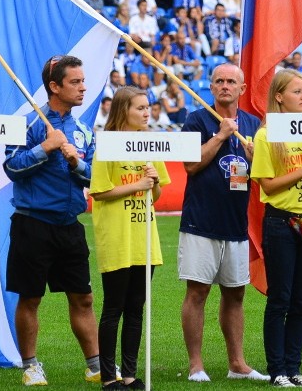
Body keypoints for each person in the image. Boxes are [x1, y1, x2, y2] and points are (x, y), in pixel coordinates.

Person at [3, 55, 101, 387]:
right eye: (75, 82)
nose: (83, 87)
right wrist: (46, 147)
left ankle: (95, 365)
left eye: (84, 81)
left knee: (83, 297)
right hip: (32, 224)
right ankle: (30, 366)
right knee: (30, 297)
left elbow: (95, 178)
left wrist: (76, 163)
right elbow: (11, 168)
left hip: (70, 226)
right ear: (54, 86)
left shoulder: (85, 131)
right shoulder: (28, 124)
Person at [177, 63, 267, 382]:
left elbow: (262, 178)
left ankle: (237, 364)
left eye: (231, 81)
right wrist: (220, 136)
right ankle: (196, 365)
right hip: (201, 221)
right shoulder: (196, 119)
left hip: (235, 223)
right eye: (219, 81)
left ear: (242, 89)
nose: (225, 85)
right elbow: (189, 165)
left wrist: (258, 158)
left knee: (235, 293)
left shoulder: (255, 124)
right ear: (211, 88)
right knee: (197, 292)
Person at [252, 69, 302, 388]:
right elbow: (268, 186)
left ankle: (295, 369)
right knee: (280, 298)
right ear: (280, 97)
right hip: (281, 222)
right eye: (297, 91)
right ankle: (278, 370)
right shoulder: (266, 134)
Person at [90, 86, 171, 390]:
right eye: (139, 108)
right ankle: (109, 376)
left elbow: (158, 193)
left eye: (147, 107)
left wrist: (151, 181)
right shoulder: (108, 146)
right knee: (114, 307)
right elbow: (99, 191)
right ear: (123, 111)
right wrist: (138, 182)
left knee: (136, 308)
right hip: (118, 237)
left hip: (144, 238)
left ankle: (130, 374)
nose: (146, 112)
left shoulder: (150, 144)